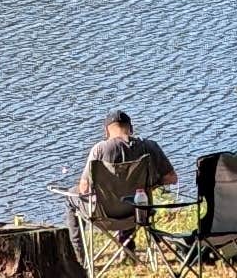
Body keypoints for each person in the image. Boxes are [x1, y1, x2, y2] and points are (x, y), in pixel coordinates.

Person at [72, 112, 179, 265]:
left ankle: (78, 257)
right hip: (139, 214)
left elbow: (84, 188)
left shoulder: (100, 149)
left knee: (71, 197)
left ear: (106, 131)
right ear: (131, 128)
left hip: (105, 217)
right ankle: (127, 248)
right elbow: (172, 178)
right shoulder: (149, 146)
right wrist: (151, 184)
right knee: (133, 195)